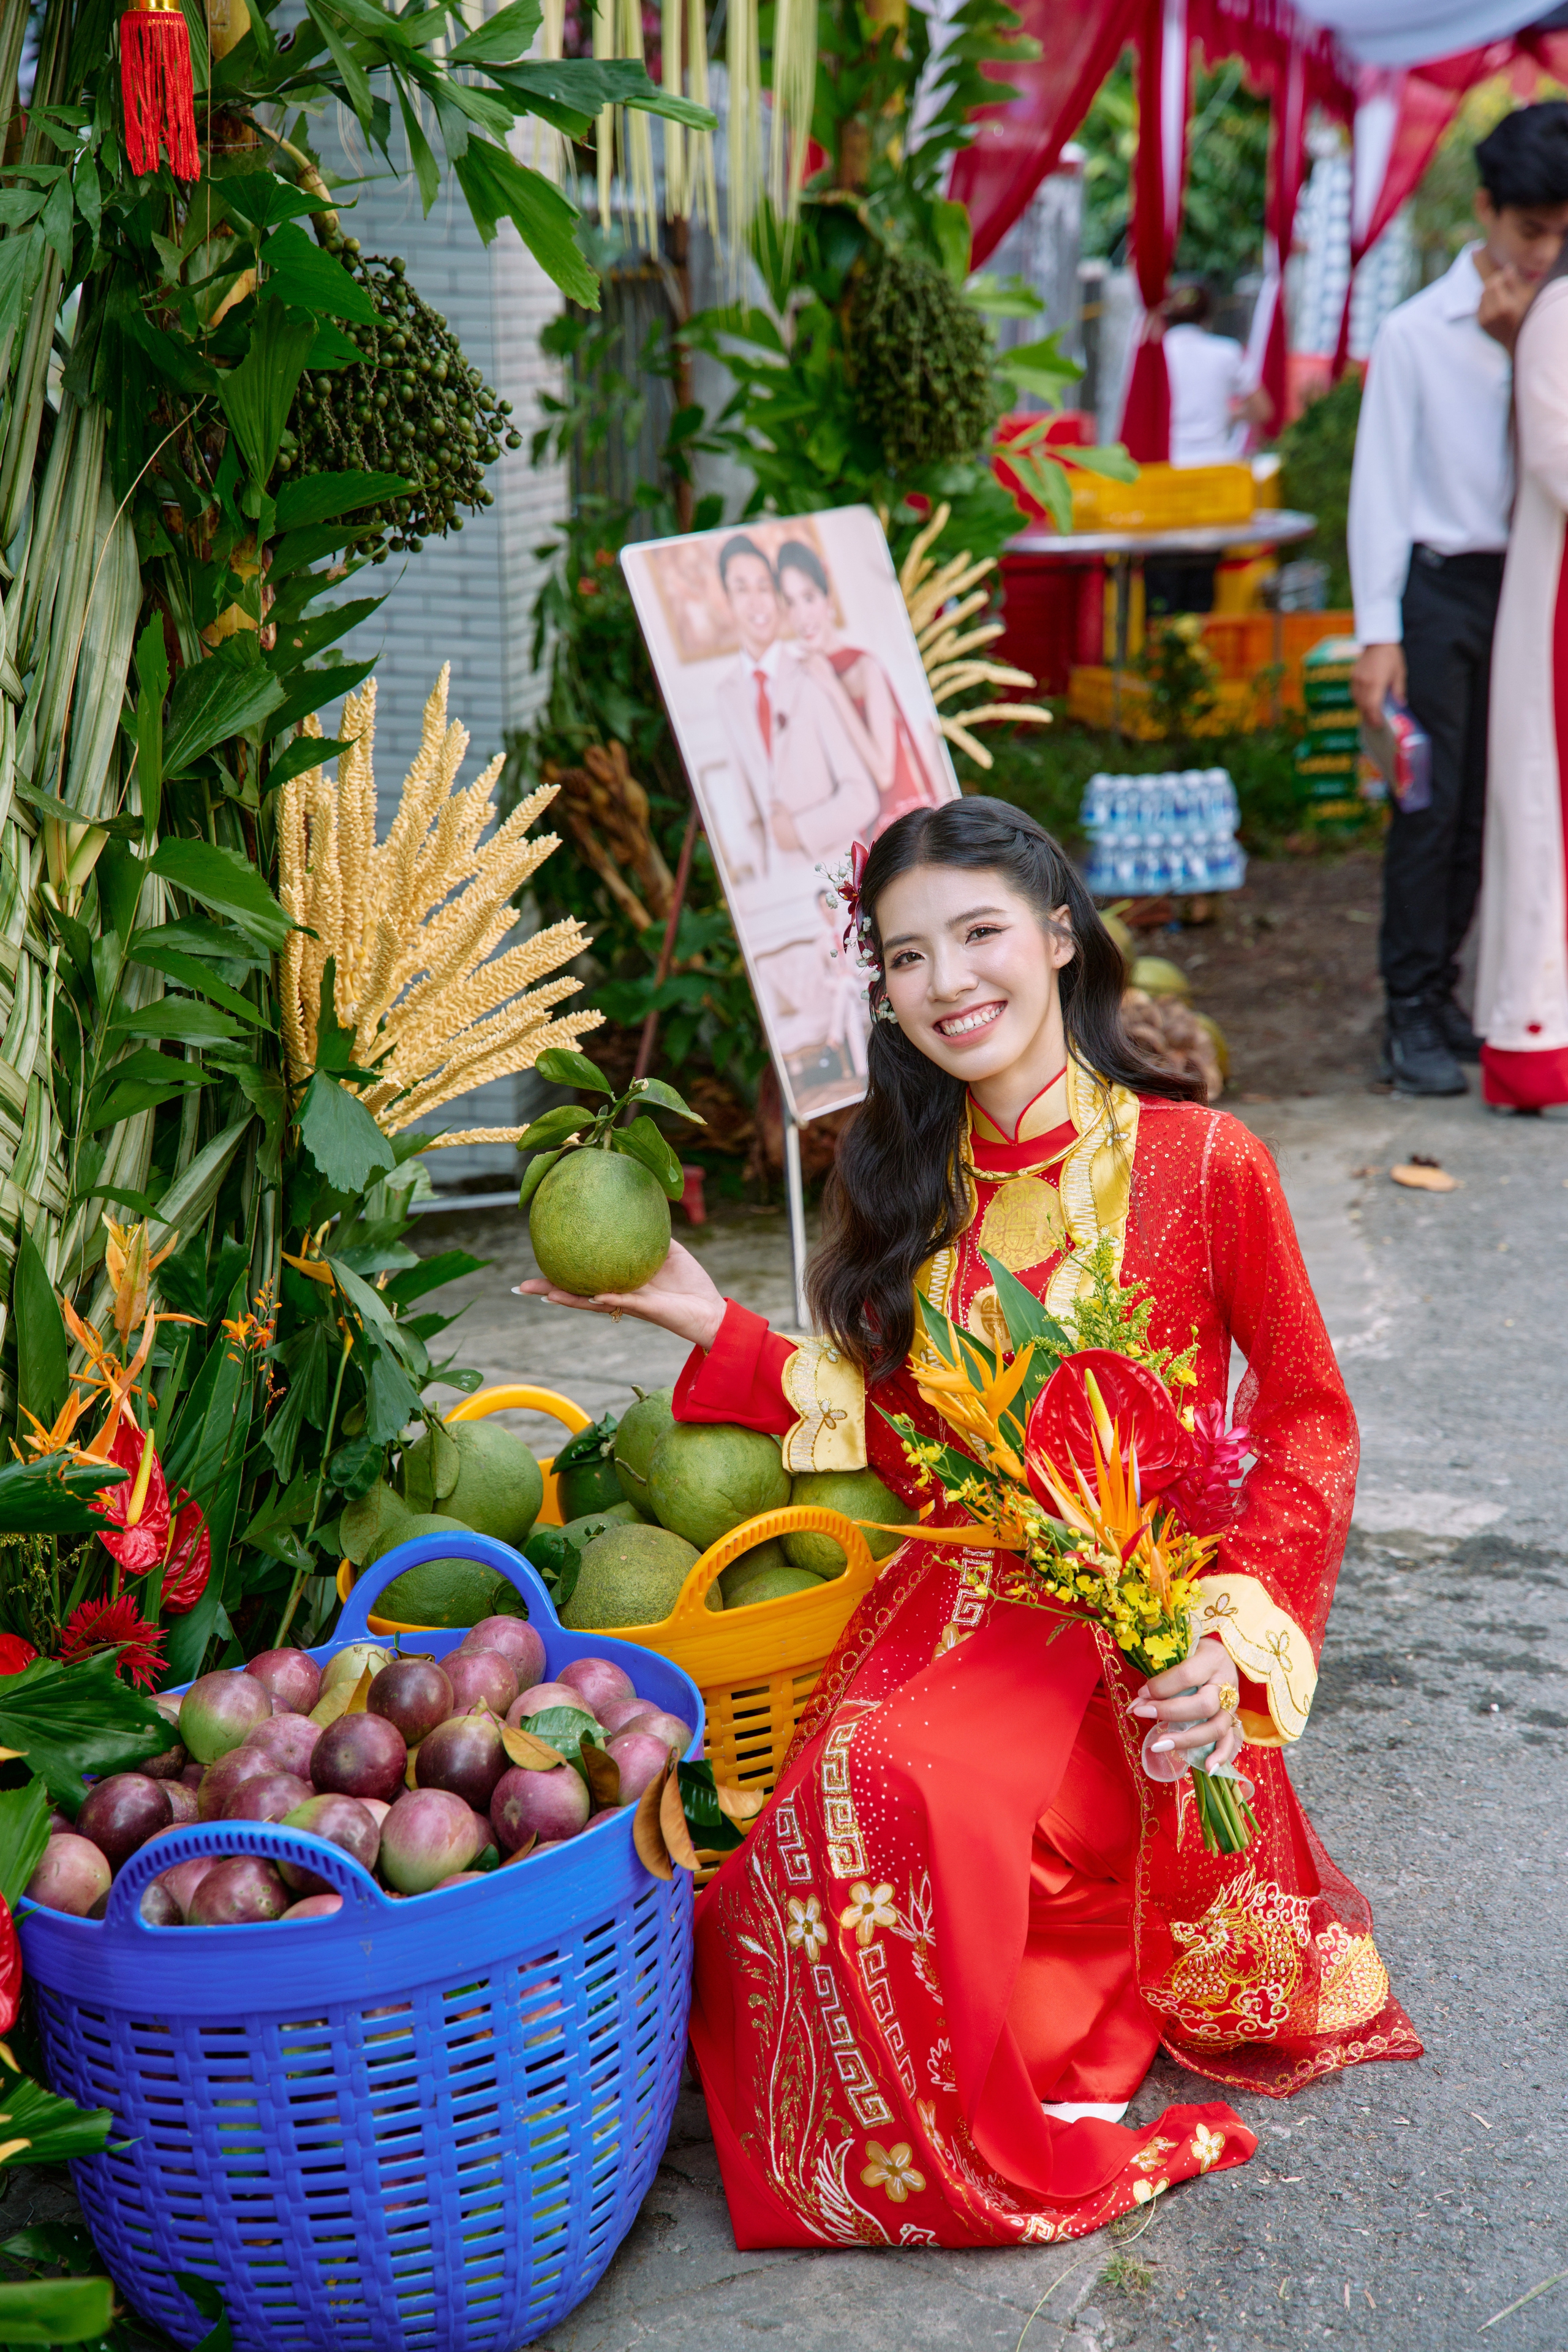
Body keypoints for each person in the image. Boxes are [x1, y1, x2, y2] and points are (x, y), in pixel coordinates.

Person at [520, 800, 1419, 2249]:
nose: (948, 981)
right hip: (959, 1604)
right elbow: (899, 1433)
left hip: (1145, 1642)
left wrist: (1230, 1631)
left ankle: (1021, 2049)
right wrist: (696, 1309)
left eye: (980, 934)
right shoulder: (910, 1188)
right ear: (880, 985)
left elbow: (1311, 1416)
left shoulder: (1202, 1162)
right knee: (806, 1830)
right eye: (905, 955)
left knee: (919, 1795)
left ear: (1058, 937)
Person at [1348, 102, 1568, 1097]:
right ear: (1485, 210)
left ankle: (1457, 998)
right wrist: (1376, 633)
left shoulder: (1550, 323)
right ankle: (1409, 1011)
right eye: (1531, 231)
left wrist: (1530, 343)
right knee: (1428, 810)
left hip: (1524, 590)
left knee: (1494, 803)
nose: (1546, 251)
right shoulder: (1415, 334)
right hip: (1436, 593)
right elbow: (1380, 491)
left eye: (1565, 233)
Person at [1474, 238, 1568, 1110]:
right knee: (1550, 819)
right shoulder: (1557, 315)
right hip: (1559, 605)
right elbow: (1556, 456)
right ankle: (1540, 1043)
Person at [712, 534, 879, 876]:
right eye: (742, 589)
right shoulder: (725, 694)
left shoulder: (813, 676)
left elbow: (863, 796)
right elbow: (748, 807)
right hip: (776, 883)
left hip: (840, 875)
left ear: (777, 600)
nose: (756, 603)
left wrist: (799, 831)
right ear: (728, 602)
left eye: (763, 588)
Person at [775, 540, 942, 834]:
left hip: (902, 821)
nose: (802, 615)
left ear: (829, 601)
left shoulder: (865, 667)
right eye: (791, 602)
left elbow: (883, 773)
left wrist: (833, 687)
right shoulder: (804, 676)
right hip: (853, 829)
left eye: (809, 597)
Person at [1161, 282, 1270, 467]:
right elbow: (1262, 409)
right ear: (1207, 316)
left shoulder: (1154, 357)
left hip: (1168, 463)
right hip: (1217, 462)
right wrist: (1228, 416)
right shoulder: (1228, 352)